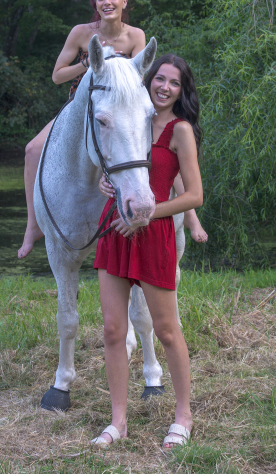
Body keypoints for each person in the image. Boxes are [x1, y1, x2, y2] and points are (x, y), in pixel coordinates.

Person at [17, 0, 207, 259]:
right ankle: (33, 225)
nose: (107, 2)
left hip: (123, 109)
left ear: (124, 1)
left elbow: (141, 78)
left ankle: (190, 214)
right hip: (81, 108)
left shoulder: (135, 35)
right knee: (32, 150)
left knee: (162, 150)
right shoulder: (81, 33)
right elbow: (57, 75)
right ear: (95, 3)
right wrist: (88, 63)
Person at [89, 54, 202, 450]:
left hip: (152, 233)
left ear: (181, 91)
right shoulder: (128, 115)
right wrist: (107, 183)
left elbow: (194, 195)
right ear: (148, 80)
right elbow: (108, 159)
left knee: (167, 331)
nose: (164, 87)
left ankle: (183, 416)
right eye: (160, 79)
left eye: (174, 83)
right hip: (116, 226)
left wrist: (147, 215)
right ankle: (118, 421)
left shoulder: (179, 130)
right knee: (113, 330)